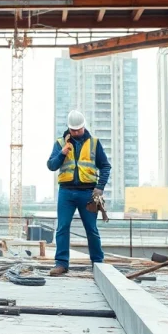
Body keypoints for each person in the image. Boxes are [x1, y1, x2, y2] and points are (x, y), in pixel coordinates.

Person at [46, 110, 111, 276]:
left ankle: (98, 262)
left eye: (78, 129)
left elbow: (105, 166)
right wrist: (62, 154)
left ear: (83, 126)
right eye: (73, 130)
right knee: (62, 228)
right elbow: (51, 165)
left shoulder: (94, 143)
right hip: (66, 193)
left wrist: (100, 187)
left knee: (91, 228)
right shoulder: (60, 143)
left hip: (88, 193)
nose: (76, 132)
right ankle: (61, 263)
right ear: (68, 128)